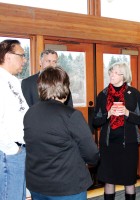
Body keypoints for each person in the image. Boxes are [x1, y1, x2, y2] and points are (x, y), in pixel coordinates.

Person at [23, 66, 99, 199]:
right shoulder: (71, 115)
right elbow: (91, 154)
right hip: (67, 187)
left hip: (37, 184)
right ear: (65, 87)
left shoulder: (30, 113)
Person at [92, 62, 140, 200]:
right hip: (108, 145)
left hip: (129, 145)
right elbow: (95, 121)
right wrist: (108, 114)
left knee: (129, 181)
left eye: (116, 72)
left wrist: (128, 113)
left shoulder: (134, 93)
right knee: (109, 180)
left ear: (124, 75)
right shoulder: (103, 94)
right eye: (111, 71)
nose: (112, 74)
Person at [0, 39, 29, 199]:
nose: (24, 60)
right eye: (21, 55)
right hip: (8, 153)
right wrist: (13, 149)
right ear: (7, 56)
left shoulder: (13, 81)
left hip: (19, 150)